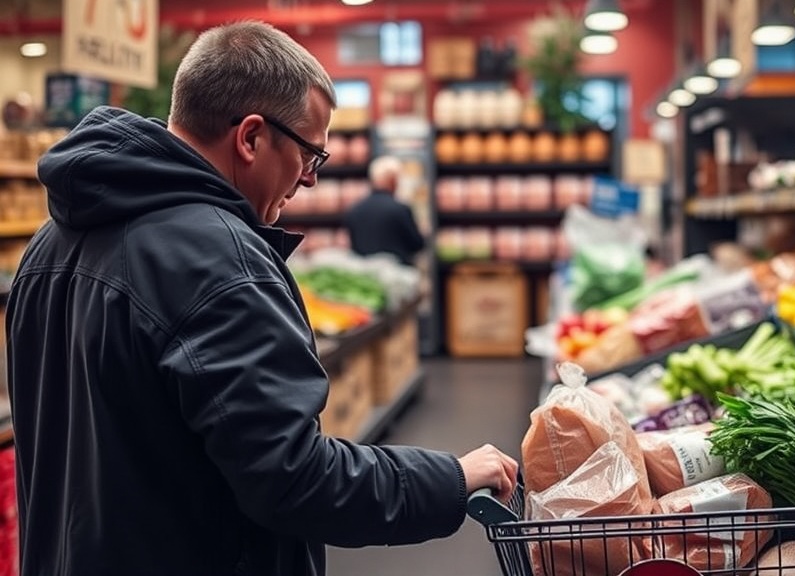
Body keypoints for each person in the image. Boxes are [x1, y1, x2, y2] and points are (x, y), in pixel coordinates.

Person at [4, 21, 517, 576]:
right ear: (250, 137)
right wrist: (452, 478)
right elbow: (295, 478)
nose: (310, 180)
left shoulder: (46, 246)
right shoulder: (221, 260)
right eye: (309, 155)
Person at [345, 155, 426, 266]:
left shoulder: (355, 210)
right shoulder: (400, 209)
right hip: (396, 276)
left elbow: (353, 247)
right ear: (393, 180)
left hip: (365, 277)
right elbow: (417, 244)